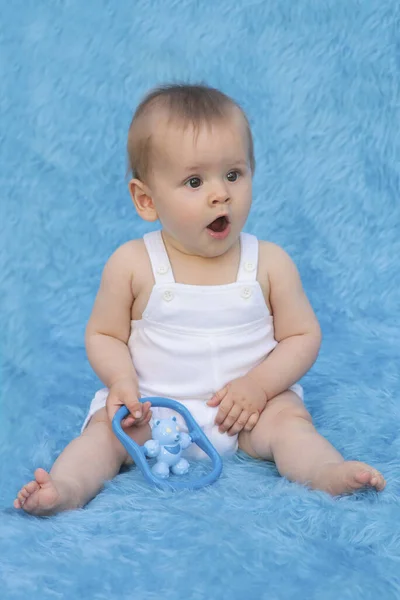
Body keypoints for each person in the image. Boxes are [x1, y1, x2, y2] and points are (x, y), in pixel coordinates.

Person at [14, 84, 385, 515]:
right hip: (152, 408)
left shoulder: (269, 263)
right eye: (194, 181)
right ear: (146, 200)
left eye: (233, 174)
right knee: (103, 435)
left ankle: (326, 472)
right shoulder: (133, 263)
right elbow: (103, 333)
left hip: (248, 412)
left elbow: (302, 334)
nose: (220, 193)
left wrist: (259, 387)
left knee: (291, 424)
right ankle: (66, 488)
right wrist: (121, 381)